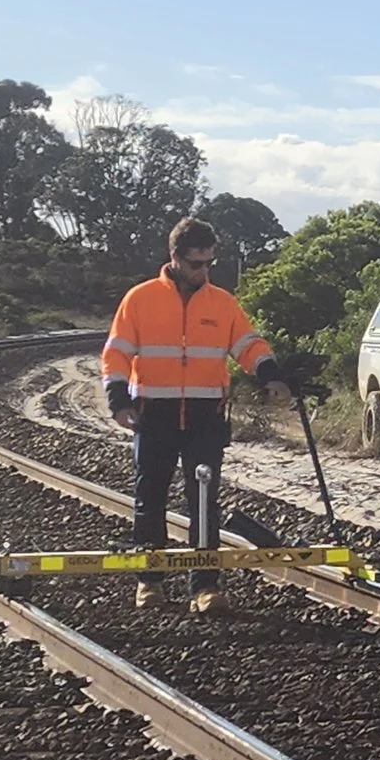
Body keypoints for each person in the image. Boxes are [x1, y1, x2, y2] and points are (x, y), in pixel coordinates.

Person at [100, 217, 290, 614]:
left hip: (206, 415)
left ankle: (205, 587)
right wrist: (119, 399)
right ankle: (149, 582)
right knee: (148, 497)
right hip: (153, 414)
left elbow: (247, 344)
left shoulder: (222, 302)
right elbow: (116, 353)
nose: (203, 272)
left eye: (208, 263)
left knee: (203, 500)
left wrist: (268, 372)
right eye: (194, 264)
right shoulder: (140, 299)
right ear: (174, 258)